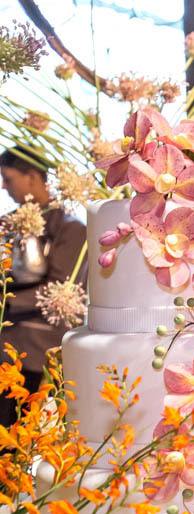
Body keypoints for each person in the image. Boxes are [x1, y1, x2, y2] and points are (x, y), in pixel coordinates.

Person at [0, 148, 85, 425]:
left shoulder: (70, 228)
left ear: (33, 177)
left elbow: (58, 288)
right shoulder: (7, 224)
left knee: (17, 437)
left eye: (8, 178)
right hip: (6, 347)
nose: (3, 186)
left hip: (37, 352)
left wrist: (8, 302)